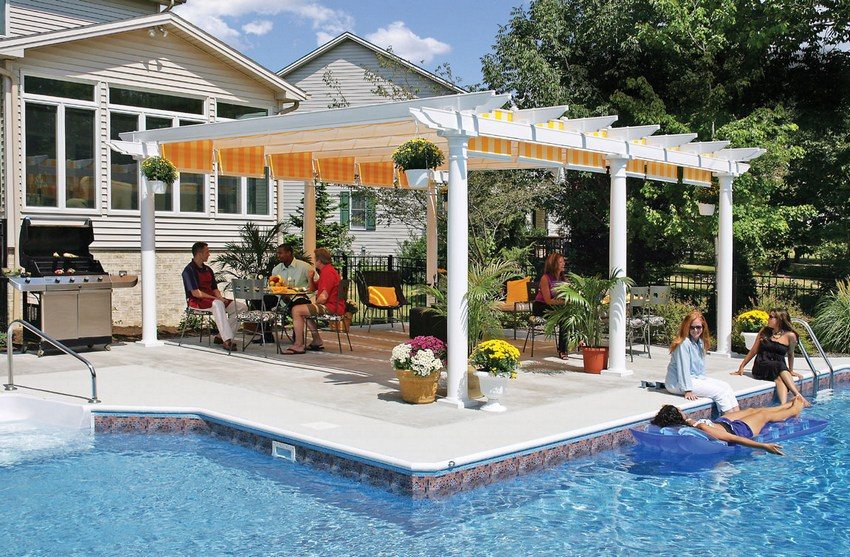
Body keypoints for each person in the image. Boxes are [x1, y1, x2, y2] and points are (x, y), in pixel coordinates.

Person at [650, 397, 807, 455]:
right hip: (739, 430)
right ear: (678, 415)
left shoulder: (686, 424)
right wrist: (763, 446)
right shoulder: (702, 428)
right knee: (764, 415)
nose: (681, 409)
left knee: (752, 410)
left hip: (722, 422)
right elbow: (732, 438)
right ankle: (794, 410)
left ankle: (784, 406)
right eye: (679, 410)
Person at [665, 310, 740, 413]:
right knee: (720, 393)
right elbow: (683, 369)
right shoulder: (684, 344)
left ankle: (738, 417)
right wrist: (687, 390)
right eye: (692, 327)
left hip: (695, 379)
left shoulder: (700, 342)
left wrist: (704, 381)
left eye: (698, 327)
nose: (695, 330)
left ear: (703, 327)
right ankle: (730, 419)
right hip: (677, 383)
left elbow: (700, 368)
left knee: (726, 387)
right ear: (687, 327)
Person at [732, 308, 810, 406]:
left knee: (779, 379)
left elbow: (791, 354)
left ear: (779, 319)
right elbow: (754, 350)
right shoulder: (764, 331)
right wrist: (742, 366)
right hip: (761, 365)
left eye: (771, 317)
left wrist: (790, 370)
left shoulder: (790, 336)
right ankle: (798, 396)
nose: (768, 319)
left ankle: (783, 405)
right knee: (779, 366)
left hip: (778, 368)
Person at [181, 242, 247, 352]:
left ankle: (220, 336)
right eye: (207, 252)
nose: (209, 254)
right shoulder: (189, 270)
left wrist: (220, 297)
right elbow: (196, 293)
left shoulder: (208, 269)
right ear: (199, 254)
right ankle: (227, 340)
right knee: (218, 304)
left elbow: (214, 288)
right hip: (197, 301)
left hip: (212, 300)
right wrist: (216, 299)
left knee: (241, 307)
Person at [282, 248, 345, 355]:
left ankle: (298, 345)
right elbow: (312, 289)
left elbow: (323, 297)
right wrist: (310, 278)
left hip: (331, 307)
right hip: (332, 305)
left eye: (315, 259)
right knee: (303, 309)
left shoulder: (328, 273)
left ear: (319, 261)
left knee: (296, 310)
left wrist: (314, 306)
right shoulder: (327, 271)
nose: (315, 262)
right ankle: (316, 340)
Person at [533, 252, 568, 359]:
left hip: (556, 306)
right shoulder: (545, 278)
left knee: (568, 316)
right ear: (553, 264)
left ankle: (577, 341)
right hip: (541, 306)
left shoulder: (563, 279)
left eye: (563, 261)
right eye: (561, 262)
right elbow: (548, 300)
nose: (564, 264)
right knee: (564, 317)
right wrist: (565, 302)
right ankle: (563, 350)